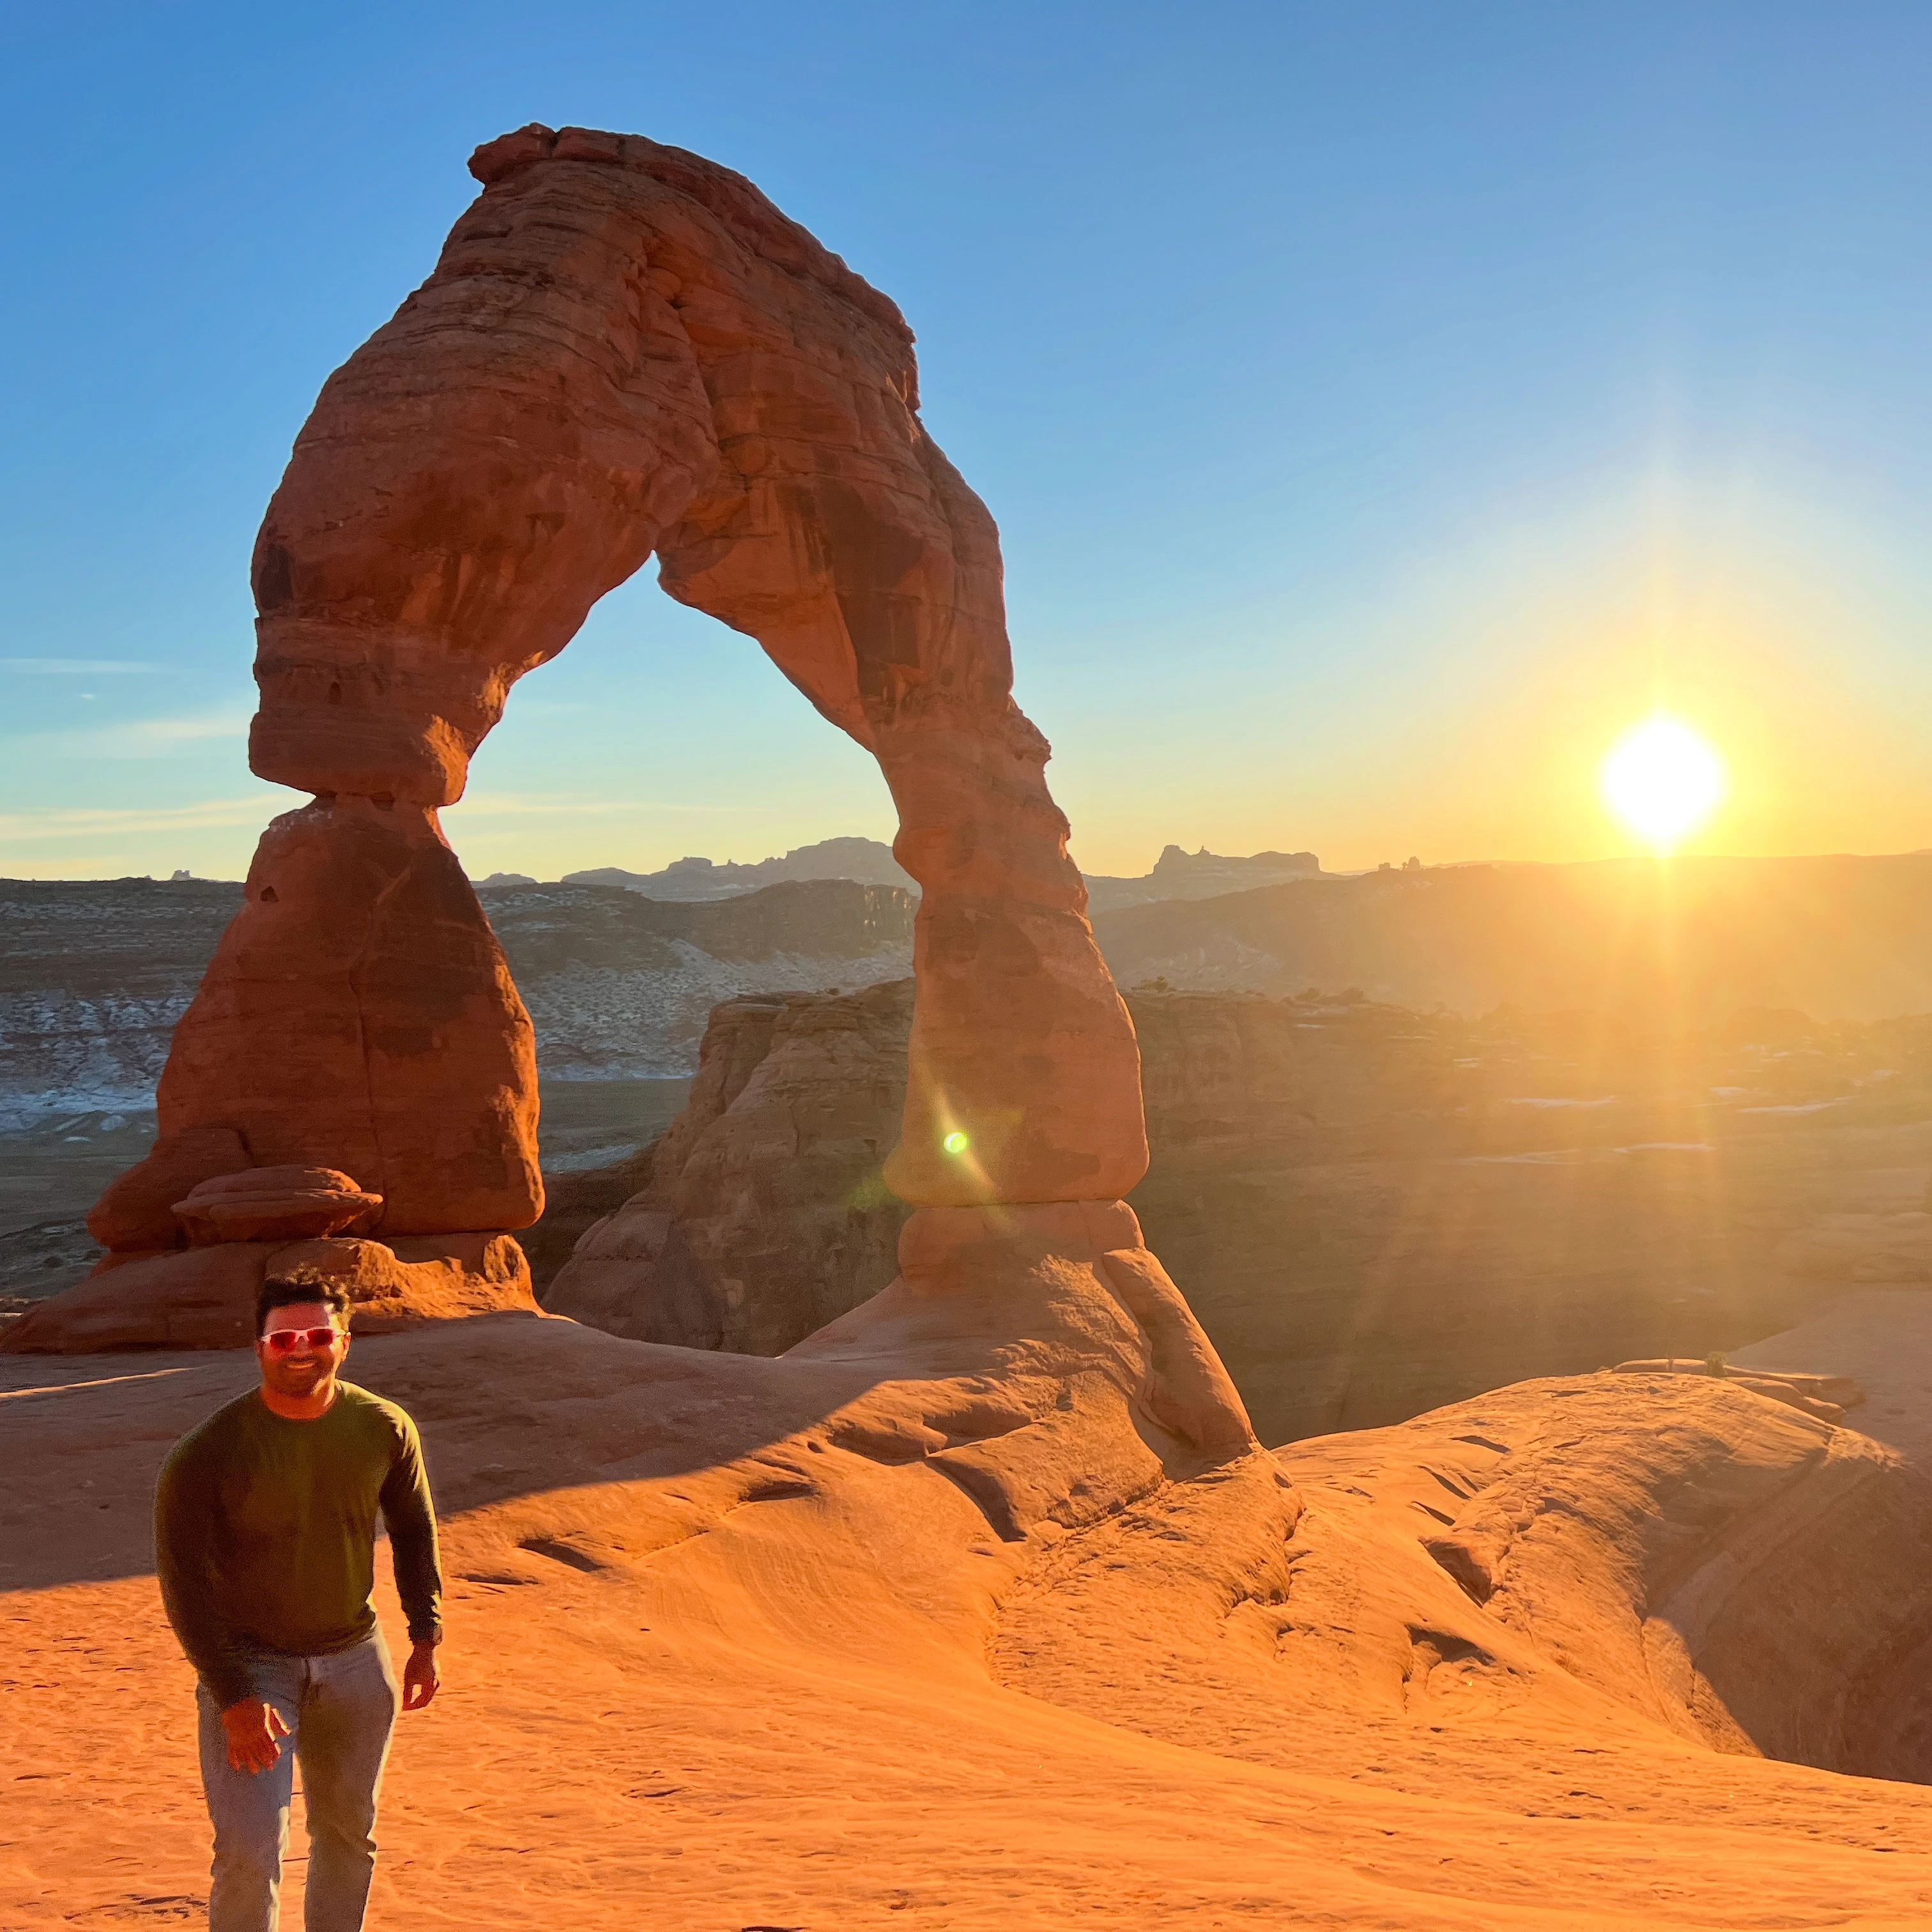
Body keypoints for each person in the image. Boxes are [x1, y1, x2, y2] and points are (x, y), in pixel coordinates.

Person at [155, 1269, 444, 1932]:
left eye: (317, 1335)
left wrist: (424, 1638)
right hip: (252, 1669)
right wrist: (232, 1696)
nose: (301, 1349)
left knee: (349, 1837)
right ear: (259, 1348)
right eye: (284, 1338)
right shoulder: (209, 1453)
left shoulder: (384, 1428)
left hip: (354, 1663)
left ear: (345, 1342)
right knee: (249, 1850)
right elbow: (183, 1583)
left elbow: (414, 1531)